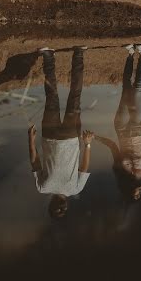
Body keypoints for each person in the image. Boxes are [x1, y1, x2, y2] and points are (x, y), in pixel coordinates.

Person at [28, 46, 94, 219]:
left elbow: (35, 162)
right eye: (63, 211)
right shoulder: (74, 189)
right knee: (69, 96)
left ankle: (53, 55)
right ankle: (76, 53)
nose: (61, 208)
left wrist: (31, 140)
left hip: (53, 135)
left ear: (51, 206)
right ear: (66, 207)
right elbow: (84, 167)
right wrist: (87, 144)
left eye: (56, 210)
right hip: (67, 136)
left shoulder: (43, 188)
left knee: (57, 95)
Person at [94, 44, 141, 202]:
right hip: (140, 129)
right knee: (138, 90)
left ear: (128, 191)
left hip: (121, 128)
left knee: (125, 88)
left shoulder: (120, 171)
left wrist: (94, 138)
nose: (139, 192)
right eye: (140, 195)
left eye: (136, 195)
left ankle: (130, 54)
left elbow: (113, 146)